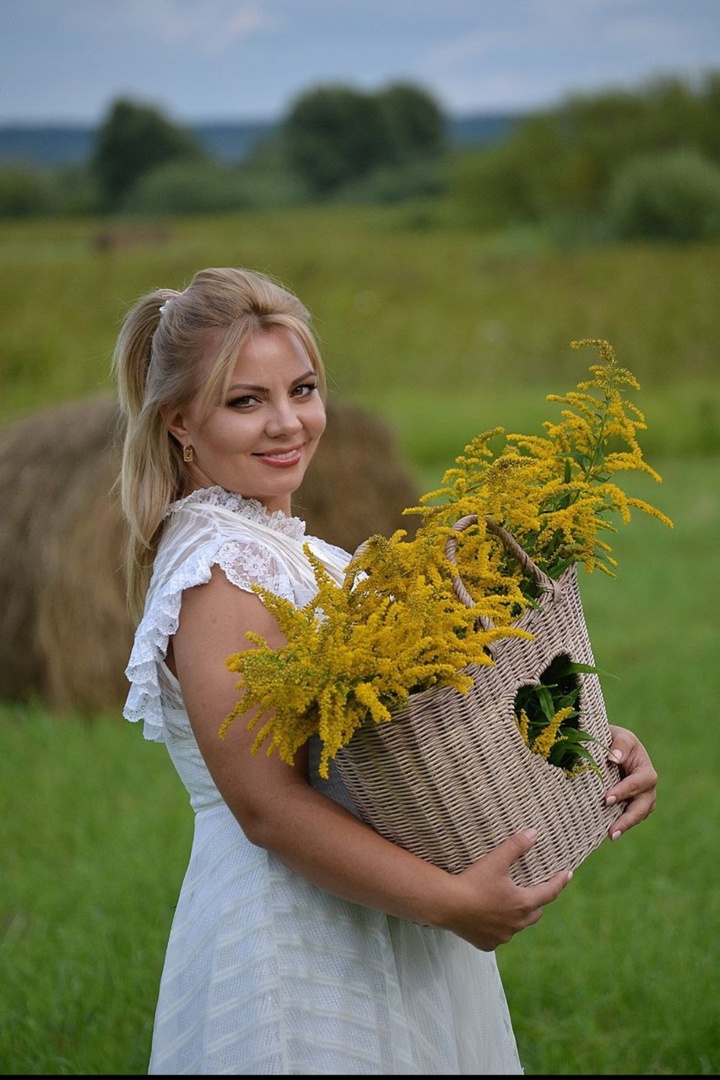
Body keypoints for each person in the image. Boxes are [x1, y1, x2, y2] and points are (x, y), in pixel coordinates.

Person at [113, 266, 658, 1076]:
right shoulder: (220, 570)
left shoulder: (282, 543)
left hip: (381, 904)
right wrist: (449, 901)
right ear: (181, 423)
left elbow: (409, 731)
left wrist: (582, 742)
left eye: (302, 389)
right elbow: (266, 808)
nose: (287, 423)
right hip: (297, 942)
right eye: (246, 401)